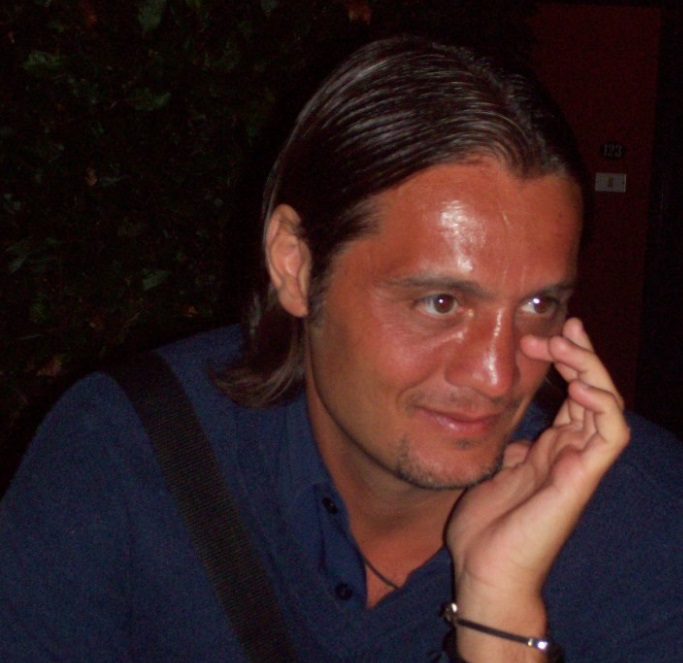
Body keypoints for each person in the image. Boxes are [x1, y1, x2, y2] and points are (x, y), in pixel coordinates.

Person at [1, 36, 682, 663]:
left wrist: (499, 620)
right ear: (296, 266)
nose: (497, 374)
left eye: (538, 305)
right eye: (440, 303)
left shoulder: (645, 521)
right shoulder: (124, 454)